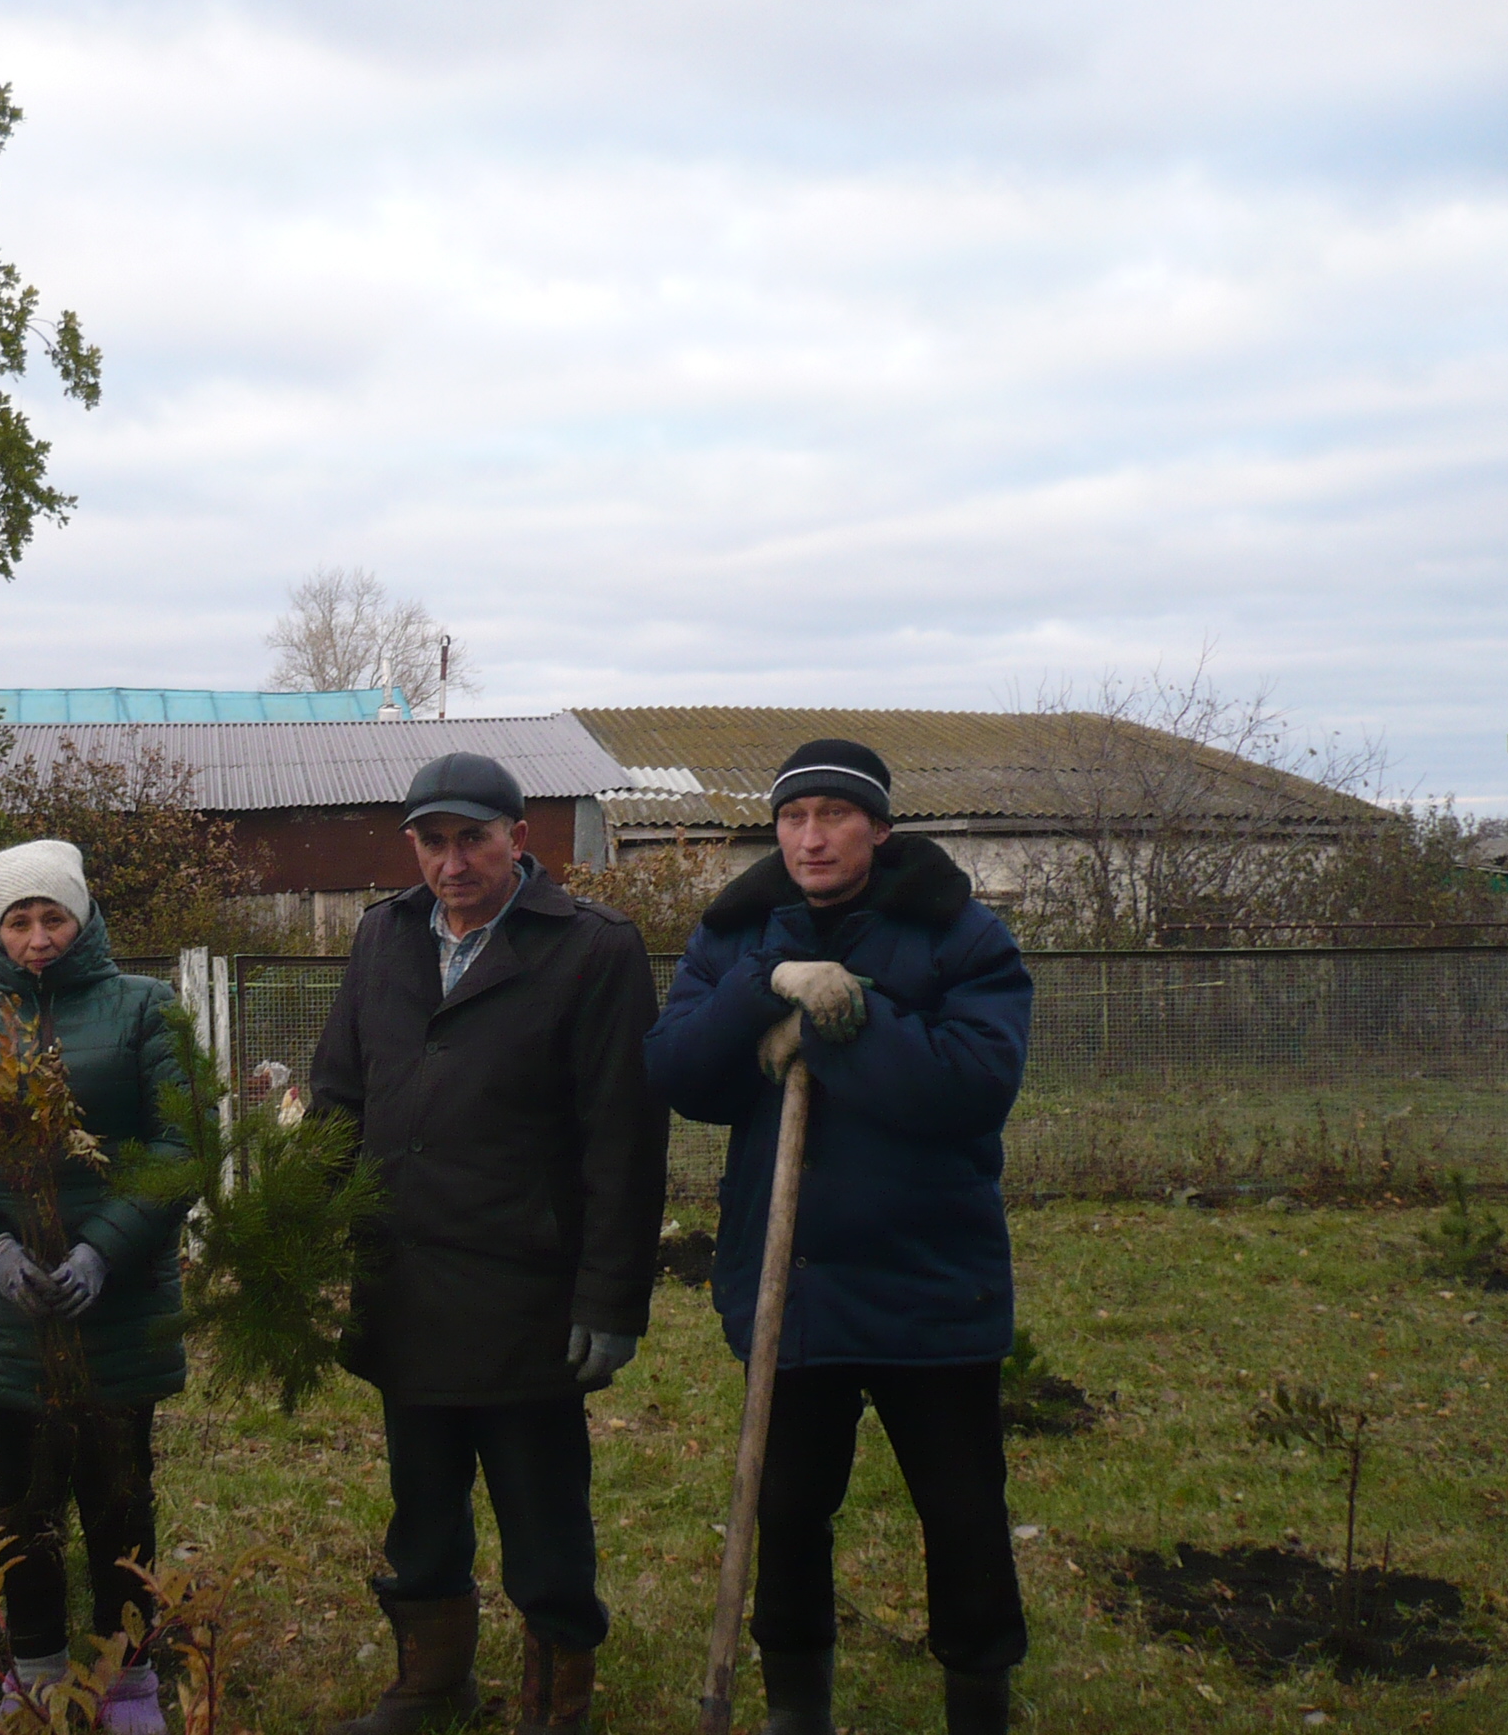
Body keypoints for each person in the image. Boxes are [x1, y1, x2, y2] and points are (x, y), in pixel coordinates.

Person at [643, 740, 1034, 1735]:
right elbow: (680, 1073)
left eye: (832, 815)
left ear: (879, 828)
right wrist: (762, 987)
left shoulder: (959, 935)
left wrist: (840, 1025)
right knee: (786, 1508)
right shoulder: (734, 933)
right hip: (792, 1287)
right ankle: (795, 1706)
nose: (810, 837)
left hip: (930, 1282)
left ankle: (978, 1698)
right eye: (792, 818)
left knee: (961, 1514)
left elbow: (968, 1090)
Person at [311, 753, 665, 1735]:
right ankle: (431, 1683)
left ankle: (557, 1702)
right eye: (432, 840)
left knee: (542, 1515)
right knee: (421, 1503)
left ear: (519, 837)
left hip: (526, 1293)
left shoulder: (591, 950)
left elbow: (623, 1140)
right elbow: (340, 1095)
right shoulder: (383, 938)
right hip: (405, 1277)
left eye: (473, 837)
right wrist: (297, 1232)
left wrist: (609, 1299)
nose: (452, 861)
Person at [0, 839, 191, 1735]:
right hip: (6, 1311)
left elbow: (177, 1146)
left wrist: (102, 1251)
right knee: (22, 1497)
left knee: (120, 1493)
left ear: (84, 916)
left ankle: (126, 1680)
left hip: (117, 1303)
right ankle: (36, 1676)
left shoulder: (145, 1010)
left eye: (54, 916)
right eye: (19, 920)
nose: (38, 937)